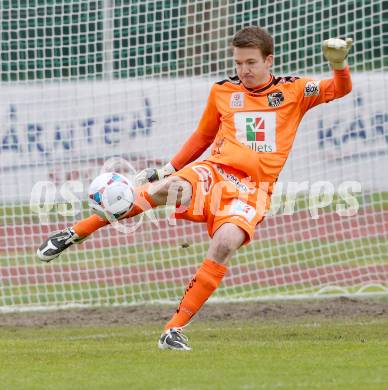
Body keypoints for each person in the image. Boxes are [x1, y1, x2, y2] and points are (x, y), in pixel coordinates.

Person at [37, 27, 353, 351]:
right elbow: (203, 137)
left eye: (251, 62)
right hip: (214, 171)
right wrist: (166, 169)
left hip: (252, 191)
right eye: (238, 62)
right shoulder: (223, 91)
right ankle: (75, 232)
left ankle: (173, 330)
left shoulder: (295, 90)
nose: (243, 70)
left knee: (225, 243)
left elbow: (339, 89)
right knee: (168, 188)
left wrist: (339, 64)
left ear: (268, 60)